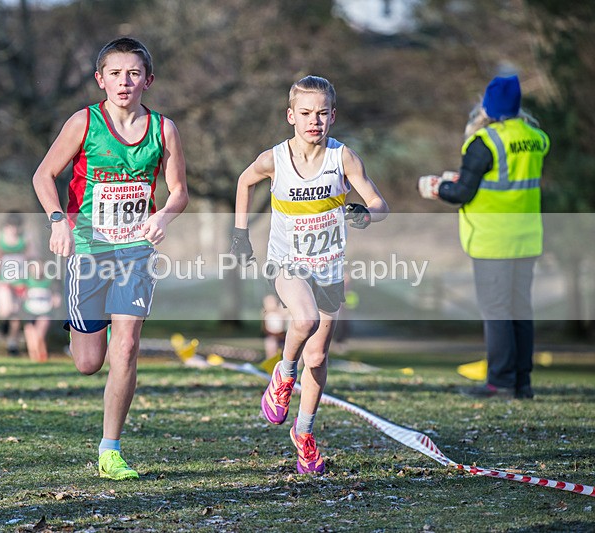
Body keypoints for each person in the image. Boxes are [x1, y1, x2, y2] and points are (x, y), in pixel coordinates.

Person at [32, 37, 188, 480]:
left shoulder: (164, 130)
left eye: (134, 73)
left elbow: (179, 192)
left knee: (128, 346)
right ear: (100, 79)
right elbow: (43, 175)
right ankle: (79, 335)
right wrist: (58, 220)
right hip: (88, 250)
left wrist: (164, 215)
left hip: (136, 252)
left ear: (148, 81)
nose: (125, 81)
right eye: (116, 73)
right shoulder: (84, 122)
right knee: (88, 363)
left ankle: (110, 449)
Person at [231, 76, 389, 474]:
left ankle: (303, 433)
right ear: (291, 116)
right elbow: (244, 181)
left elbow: (378, 202)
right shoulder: (275, 158)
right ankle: (282, 376)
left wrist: (367, 214)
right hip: (287, 261)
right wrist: (239, 233)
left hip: (330, 267)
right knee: (304, 319)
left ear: (333, 116)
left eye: (321, 113)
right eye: (305, 113)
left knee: (317, 355)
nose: (313, 120)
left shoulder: (343, 158)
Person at [418, 75, 549, 400]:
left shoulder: (484, 141)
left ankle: (500, 382)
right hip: (527, 237)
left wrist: (436, 188)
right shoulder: (535, 137)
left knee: (497, 311)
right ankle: (522, 382)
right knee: (520, 310)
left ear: (487, 106)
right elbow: (499, 180)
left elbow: (463, 192)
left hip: (493, 240)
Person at [0, 212, 36, 357]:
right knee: (6, 310)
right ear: (6, 226)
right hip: (5, 280)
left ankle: (12, 344)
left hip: (21, 281)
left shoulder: (26, 238)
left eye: (16, 227)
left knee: (17, 313)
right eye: (10, 227)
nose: (13, 230)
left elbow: (33, 256)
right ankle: (4, 324)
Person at [21, 264, 61, 363]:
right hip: (29, 311)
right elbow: (20, 293)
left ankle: (42, 356)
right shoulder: (26, 281)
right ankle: (33, 357)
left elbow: (57, 299)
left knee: (39, 335)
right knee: (30, 334)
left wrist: (55, 299)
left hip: (45, 311)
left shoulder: (50, 281)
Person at [261, 294, 289, 360]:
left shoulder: (281, 312)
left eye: (273, 302)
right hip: (271, 336)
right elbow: (264, 328)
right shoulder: (266, 314)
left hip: (282, 336)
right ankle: (271, 363)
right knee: (271, 346)